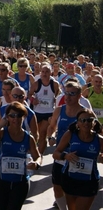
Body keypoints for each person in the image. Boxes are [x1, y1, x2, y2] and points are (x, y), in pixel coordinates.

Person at [0, 102, 42, 210]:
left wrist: (37, 163)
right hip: (1, 180)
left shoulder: (28, 138)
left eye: (19, 115)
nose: (15, 119)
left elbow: (38, 156)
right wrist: (0, 125)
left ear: (23, 117)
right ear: (7, 118)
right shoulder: (2, 133)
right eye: (12, 116)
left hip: (20, 182)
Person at [52, 109, 103, 210]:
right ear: (77, 123)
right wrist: (65, 156)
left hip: (89, 181)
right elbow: (56, 153)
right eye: (82, 120)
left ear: (94, 122)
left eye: (89, 120)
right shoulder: (70, 134)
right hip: (70, 179)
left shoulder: (99, 139)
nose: (86, 123)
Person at [47, 81, 86, 210]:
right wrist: (51, 136)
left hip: (77, 157)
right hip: (61, 155)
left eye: (72, 94)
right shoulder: (59, 110)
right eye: (66, 93)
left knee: (73, 192)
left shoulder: (84, 113)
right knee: (57, 188)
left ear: (79, 96)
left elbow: (94, 132)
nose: (68, 97)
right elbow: (52, 126)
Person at [28, 63, 60, 154]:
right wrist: (33, 99)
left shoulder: (55, 84)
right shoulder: (36, 84)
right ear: (41, 73)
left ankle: (39, 155)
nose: (45, 73)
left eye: (47, 71)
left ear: (51, 73)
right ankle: (34, 152)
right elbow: (29, 94)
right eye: (43, 72)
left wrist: (55, 99)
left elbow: (58, 94)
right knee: (35, 134)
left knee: (43, 134)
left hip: (48, 112)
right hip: (37, 112)